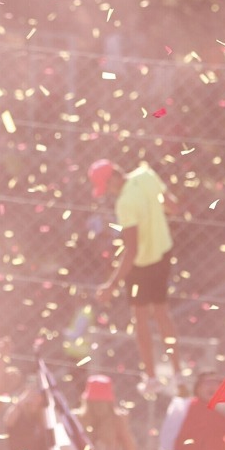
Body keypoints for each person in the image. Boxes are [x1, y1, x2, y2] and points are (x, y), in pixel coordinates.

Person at [88, 159, 183, 395]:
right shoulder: (146, 174)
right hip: (163, 252)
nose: (108, 192)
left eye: (107, 187)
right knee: (162, 313)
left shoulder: (124, 203)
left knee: (140, 317)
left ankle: (151, 377)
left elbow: (131, 250)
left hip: (141, 265)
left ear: (113, 179)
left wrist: (111, 286)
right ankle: (177, 371)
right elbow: (173, 206)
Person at [159, 370, 225, 450]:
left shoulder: (217, 413)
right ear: (198, 388)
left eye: (216, 382)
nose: (212, 386)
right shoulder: (190, 408)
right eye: (207, 383)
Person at [74, 374, 138, 450]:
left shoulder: (117, 420)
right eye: (95, 403)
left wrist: (124, 428)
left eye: (100, 402)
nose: (98, 407)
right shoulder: (79, 419)